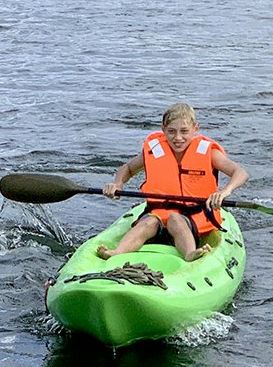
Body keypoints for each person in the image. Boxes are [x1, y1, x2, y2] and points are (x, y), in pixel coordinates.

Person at [97, 102, 248, 262]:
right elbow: (127, 168)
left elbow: (240, 173)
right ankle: (117, 253)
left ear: (195, 129)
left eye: (184, 131)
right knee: (148, 221)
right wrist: (118, 184)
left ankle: (190, 253)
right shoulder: (155, 150)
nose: (178, 138)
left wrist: (224, 192)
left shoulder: (208, 153)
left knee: (175, 219)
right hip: (158, 215)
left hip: (193, 218)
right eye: (171, 131)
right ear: (163, 130)